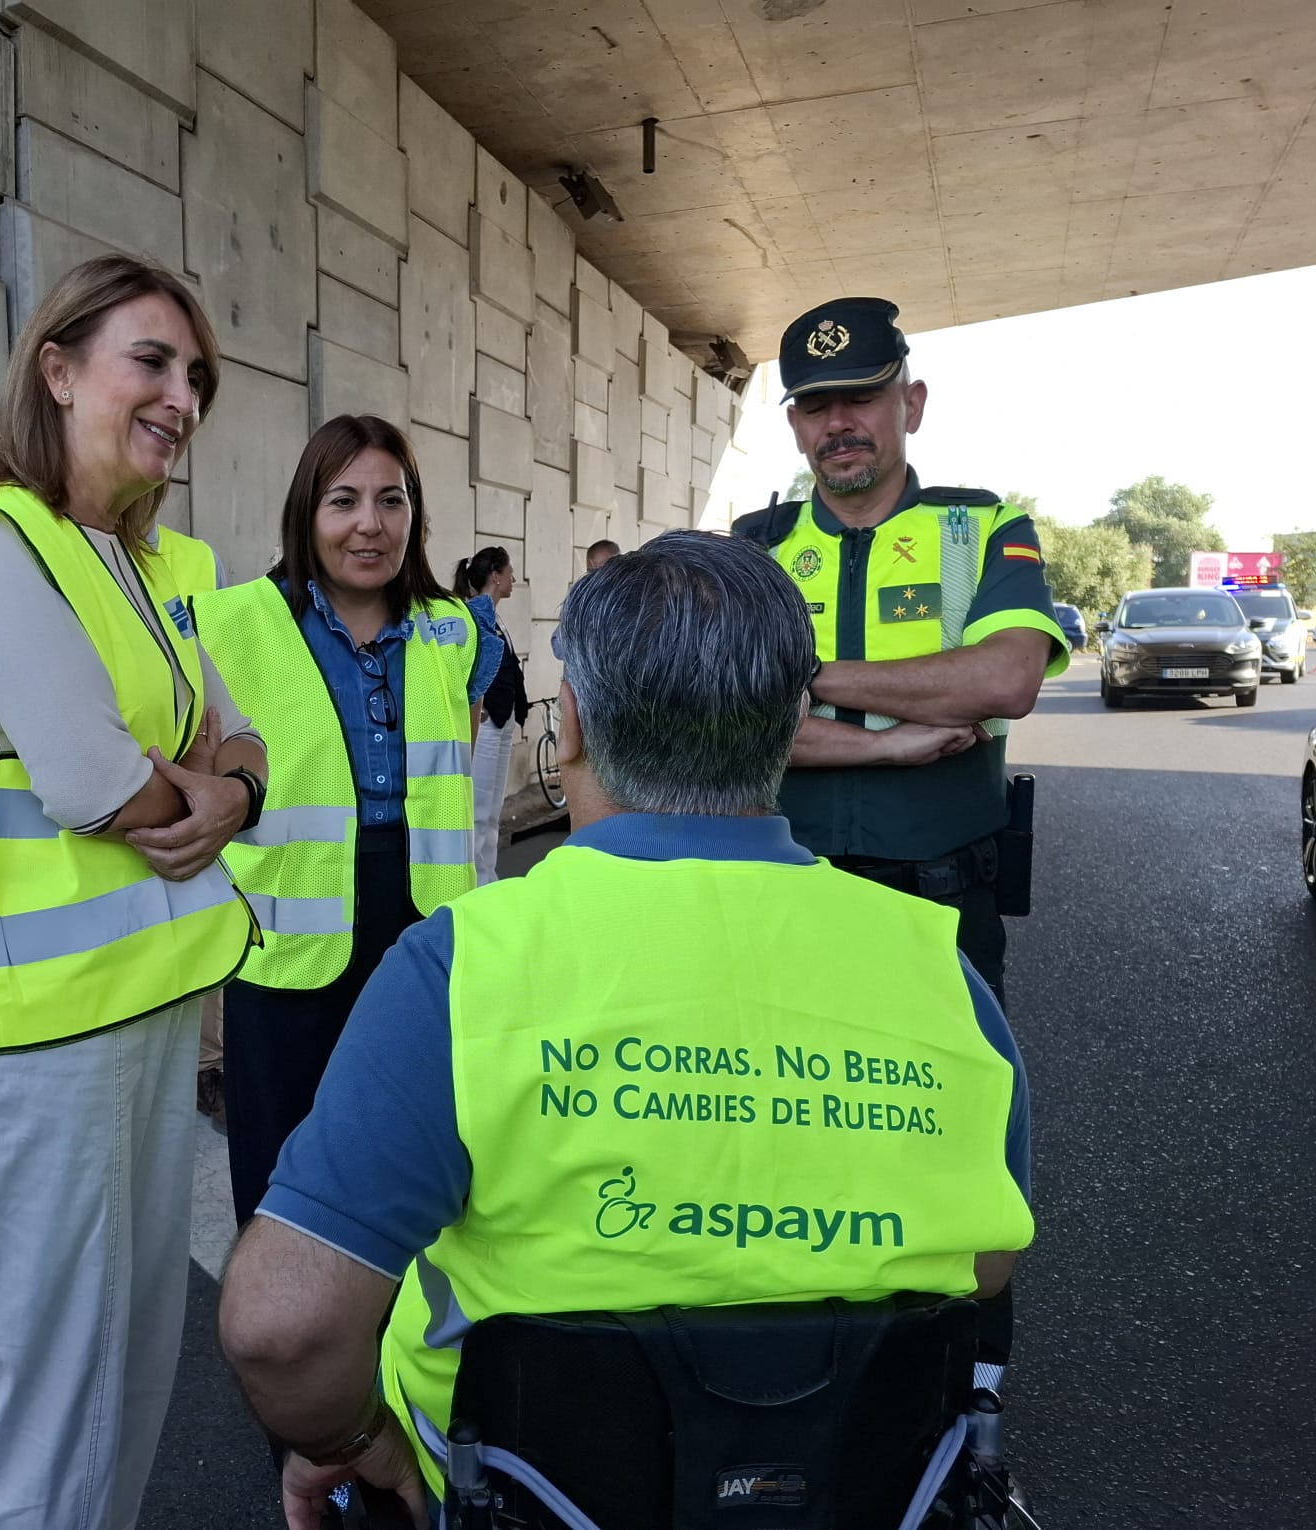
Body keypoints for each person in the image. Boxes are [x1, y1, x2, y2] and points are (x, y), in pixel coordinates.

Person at [217, 532, 1034, 1525]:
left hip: (517, 1499)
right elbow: (983, 1270)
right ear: (790, 729)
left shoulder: (459, 969)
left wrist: (351, 1444)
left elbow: (283, 1327)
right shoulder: (942, 974)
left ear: (571, 731)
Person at [0, 255, 263, 1529]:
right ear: (58, 367)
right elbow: (96, 781)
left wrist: (230, 793)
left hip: (134, 1012)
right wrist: (202, 792)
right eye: (152, 361)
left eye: (196, 376)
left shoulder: (151, 565)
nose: (182, 396)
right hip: (23, 1041)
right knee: (32, 1389)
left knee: (127, 1364)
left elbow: (246, 741)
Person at [194, 414, 502, 1230]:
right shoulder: (231, 626)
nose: (371, 523)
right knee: (278, 1171)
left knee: (415, 1156)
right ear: (306, 513)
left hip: (422, 933)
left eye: (391, 500)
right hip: (286, 942)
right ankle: (278, 1341)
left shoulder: (457, 630)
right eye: (344, 500)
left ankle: (398, 1341)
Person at [732, 297, 1067, 1005]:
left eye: (862, 396)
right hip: (786, 900)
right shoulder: (753, 550)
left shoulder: (980, 528)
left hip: (944, 910)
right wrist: (892, 742)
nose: (838, 423)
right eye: (816, 405)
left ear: (911, 405)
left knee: (962, 1110)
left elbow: (1009, 679)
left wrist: (809, 677)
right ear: (795, 425)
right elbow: (732, 722)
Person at [151, 520, 234, 1130]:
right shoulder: (62, 547)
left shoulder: (198, 560)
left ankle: (210, 1066)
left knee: (206, 921)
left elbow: (225, 667)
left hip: (202, 773)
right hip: (132, 777)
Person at [453, 545, 526, 885]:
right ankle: (474, 882)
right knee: (479, 810)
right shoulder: (472, 616)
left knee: (493, 809)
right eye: (509, 571)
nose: (513, 578)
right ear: (495, 576)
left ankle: (488, 876)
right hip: (485, 722)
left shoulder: (496, 618)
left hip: (502, 720)